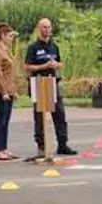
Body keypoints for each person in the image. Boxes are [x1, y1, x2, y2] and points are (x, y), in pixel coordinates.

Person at [24, 17, 76, 157]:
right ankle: (42, 146)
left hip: (53, 82)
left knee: (59, 114)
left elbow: (60, 62)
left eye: (48, 27)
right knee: (40, 116)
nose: (47, 30)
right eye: (44, 27)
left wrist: (56, 65)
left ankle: (62, 144)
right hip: (39, 83)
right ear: (38, 29)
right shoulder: (33, 47)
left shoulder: (54, 46)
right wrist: (44, 66)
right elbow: (27, 67)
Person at [0, 23, 19, 160]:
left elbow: (10, 73)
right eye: (10, 36)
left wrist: (13, 90)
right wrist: (4, 92)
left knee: (6, 121)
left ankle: (4, 148)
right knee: (0, 120)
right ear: (2, 36)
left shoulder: (6, 50)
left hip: (9, 90)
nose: (12, 38)